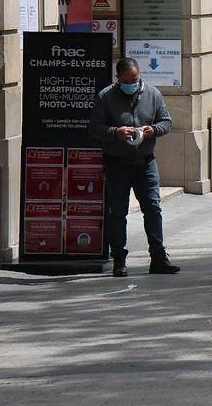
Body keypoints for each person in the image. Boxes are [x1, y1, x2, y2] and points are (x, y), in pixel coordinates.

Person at [91, 58, 177, 278]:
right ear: (118, 78)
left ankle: (158, 256)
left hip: (146, 162)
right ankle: (119, 258)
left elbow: (166, 122)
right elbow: (95, 129)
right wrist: (116, 133)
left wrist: (153, 130)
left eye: (136, 79)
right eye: (127, 80)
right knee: (117, 213)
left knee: (153, 208)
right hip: (117, 163)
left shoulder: (153, 94)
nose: (132, 83)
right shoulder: (105, 97)